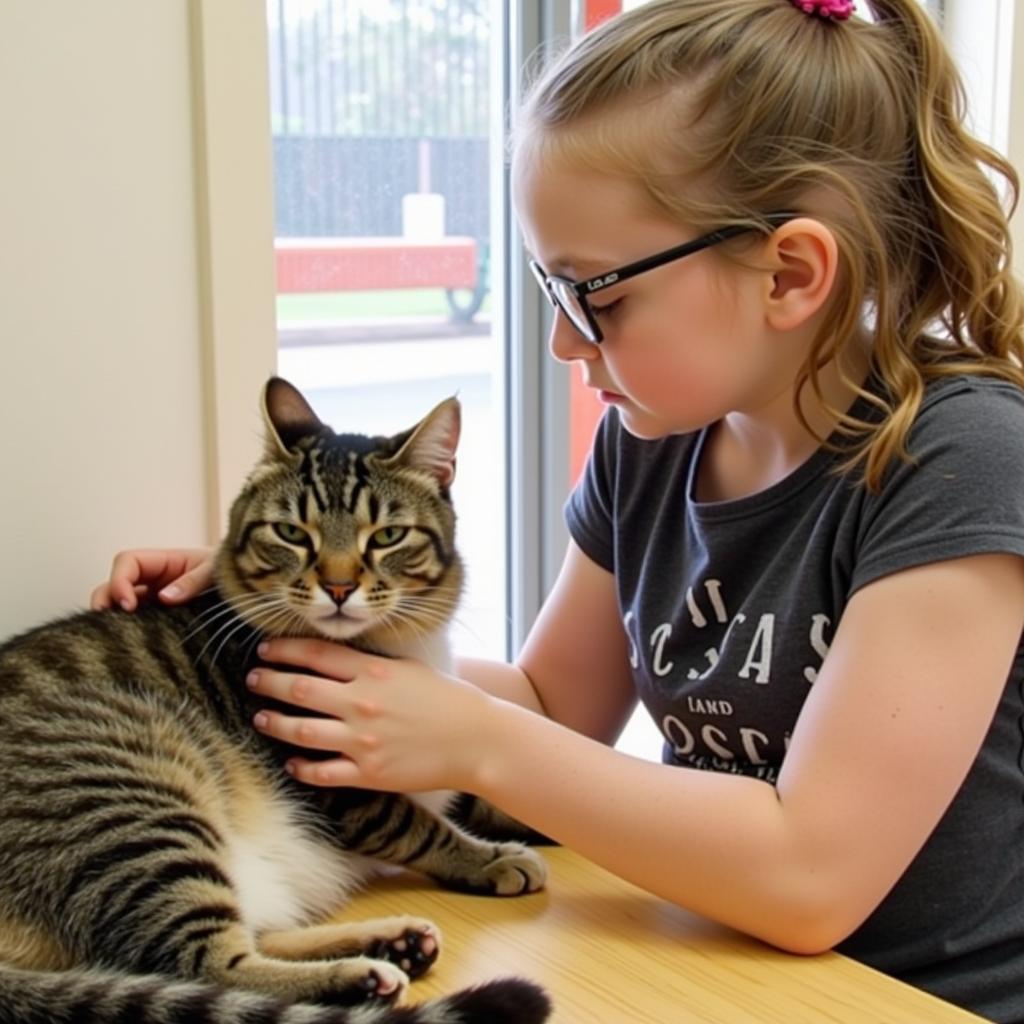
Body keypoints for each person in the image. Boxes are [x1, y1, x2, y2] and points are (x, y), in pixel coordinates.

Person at [92, 1, 1024, 1020]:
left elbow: (809, 876)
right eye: (547, 287)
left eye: (597, 295)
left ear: (788, 274)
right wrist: (252, 611)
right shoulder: (652, 443)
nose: (563, 345)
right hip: (720, 959)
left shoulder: (965, 460)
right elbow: (546, 697)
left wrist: (475, 742)